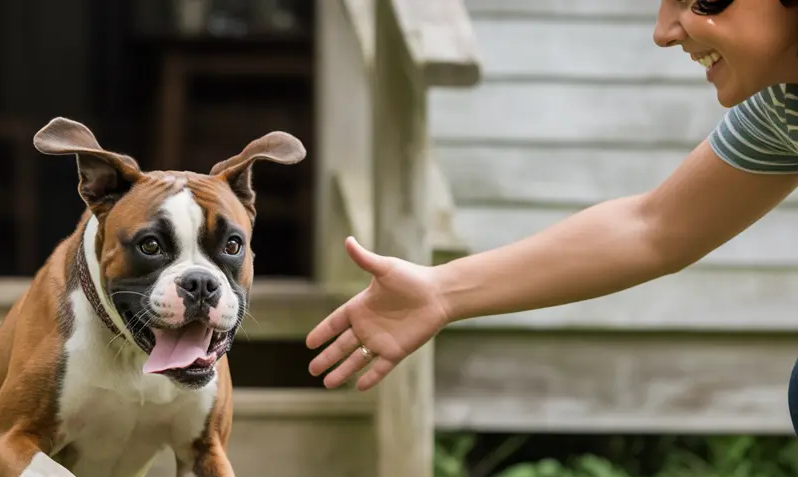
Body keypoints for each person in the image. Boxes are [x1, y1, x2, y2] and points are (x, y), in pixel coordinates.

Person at [306, 0, 798, 435]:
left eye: (698, 0)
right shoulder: (783, 106)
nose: (664, 30)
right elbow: (653, 228)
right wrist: (442, 290)